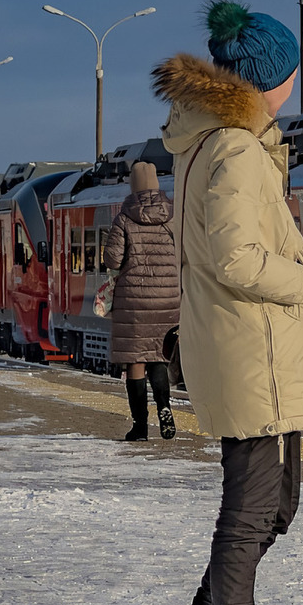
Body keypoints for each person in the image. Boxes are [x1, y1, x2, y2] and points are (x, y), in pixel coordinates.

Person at [149, 0, 303, 605]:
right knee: (253, 509)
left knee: (275, 505)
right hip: (253, 347)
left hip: (258, 348)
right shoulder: (234, 147)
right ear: (273, 78)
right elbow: (236, 256)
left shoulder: (226, 141)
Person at [103, 160, 179, 442]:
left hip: (134, 303)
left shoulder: (124, 218)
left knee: (136, 363)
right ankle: (165, 408)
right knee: (159, 359)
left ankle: (140, 427)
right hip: (168, 300)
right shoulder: (173, 217)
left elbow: (112, 259)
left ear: (133, 187)